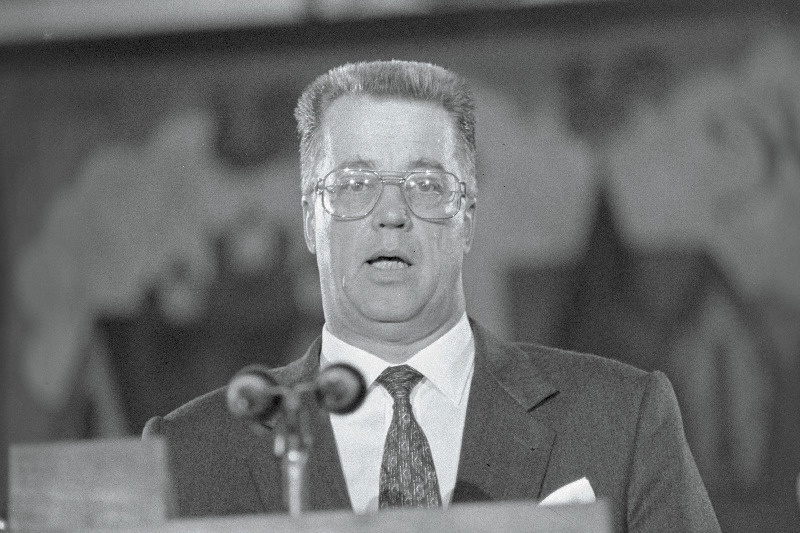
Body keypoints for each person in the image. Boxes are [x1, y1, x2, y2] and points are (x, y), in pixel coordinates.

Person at [144, 60, 720, 531]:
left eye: (425, 184)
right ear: (308, 220)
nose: (391, 214)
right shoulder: (188, 453)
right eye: (355, 185)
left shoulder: (621, 418)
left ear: (468, 217)